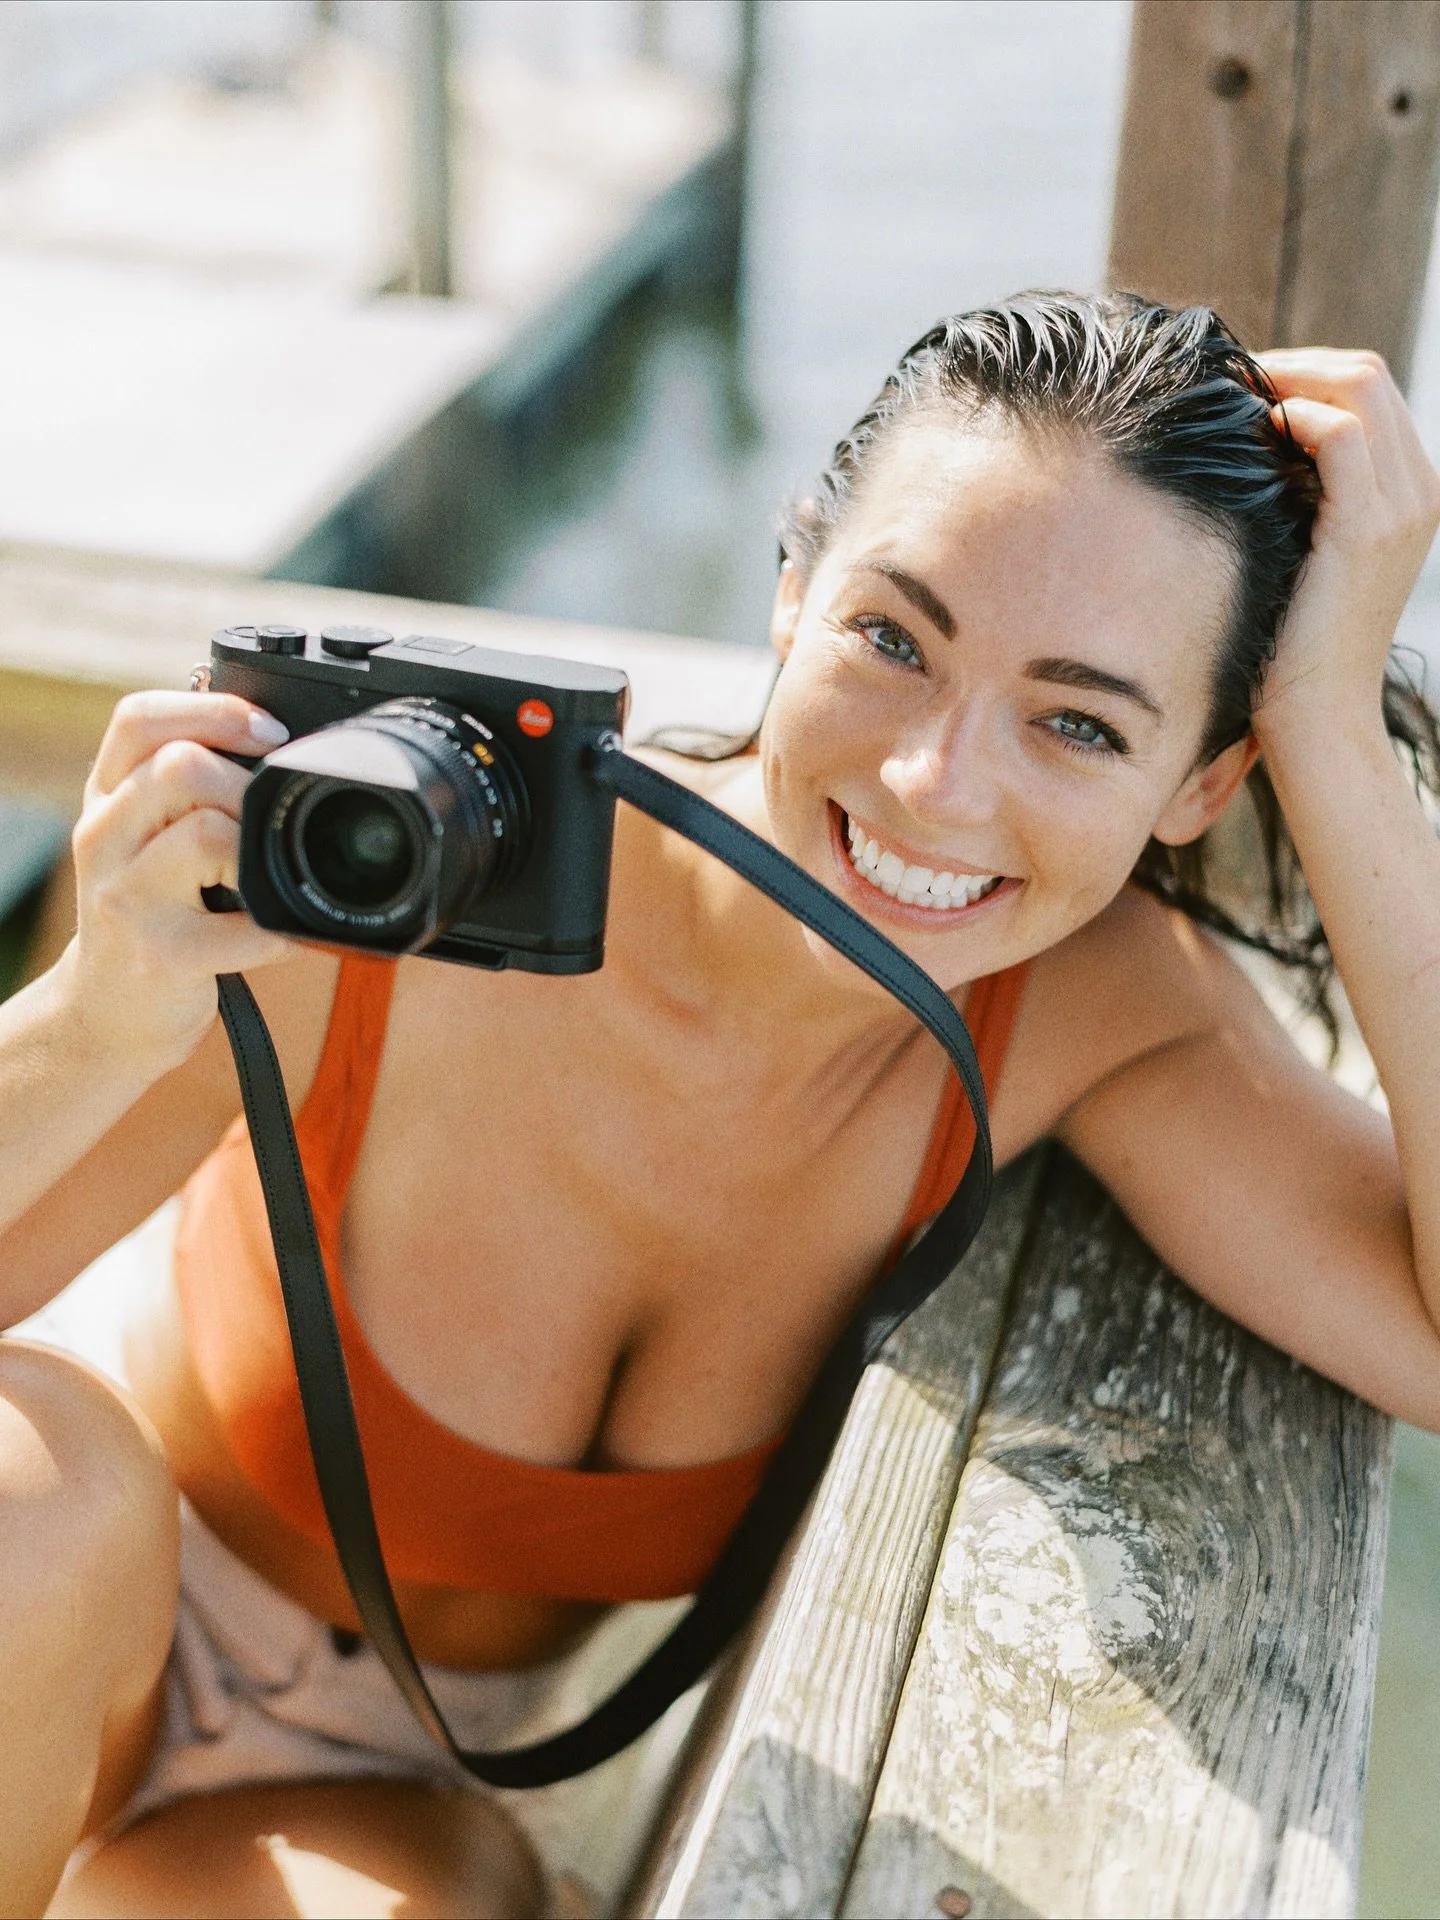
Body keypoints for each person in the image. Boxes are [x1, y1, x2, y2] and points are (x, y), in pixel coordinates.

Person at [3, 292, 1439, 1916]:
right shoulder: (420, 865)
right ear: (790, 588)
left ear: (1202, 783)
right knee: (41, 1492)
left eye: (1079, 722)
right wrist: (92, 1008)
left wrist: (1338, 740)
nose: (936, 784)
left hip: (355, 1790)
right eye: (895, 638)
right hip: (54, 1606)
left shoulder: (1097, 1017)